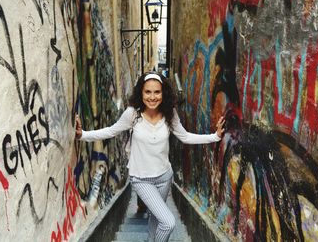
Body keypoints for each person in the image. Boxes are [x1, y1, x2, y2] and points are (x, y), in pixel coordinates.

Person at [75, 72, 225, 242]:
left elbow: (185, 137)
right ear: (141, 92)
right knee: (168, 222)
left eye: (157, 92)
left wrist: (215, 137)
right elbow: (111, 131)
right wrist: (83, 135)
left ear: (163, 93)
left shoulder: (169, 114)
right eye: (148, 92)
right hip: (141, 178)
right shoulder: (133, 114)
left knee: (156, 219)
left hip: (164, 176)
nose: (152, 97)